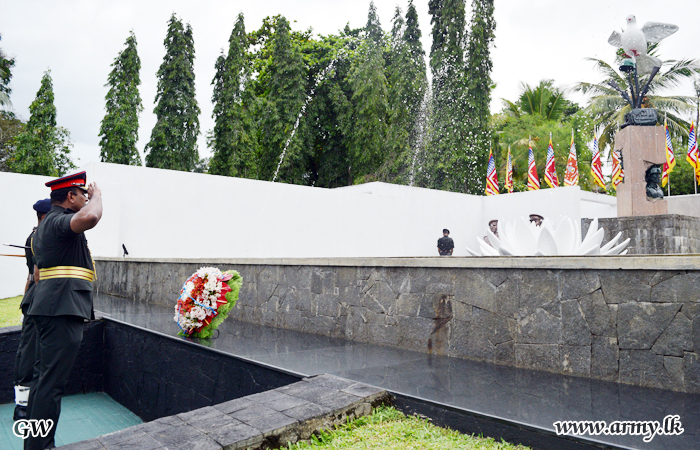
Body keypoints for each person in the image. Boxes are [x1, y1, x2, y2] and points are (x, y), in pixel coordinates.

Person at [25, 171, 102, 450]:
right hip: (60, 310)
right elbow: (91, 217)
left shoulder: (49, 225)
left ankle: (34, 444)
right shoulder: (58, 221)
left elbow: (39, 274)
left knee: (43, 381)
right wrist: (98, 196)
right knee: (51, 384)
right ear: (70, 196)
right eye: (82, 194)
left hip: (53, 307)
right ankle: (41, 446)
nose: (86, 198)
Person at [12, 199, 51, 421]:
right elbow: (36, 274)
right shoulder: (38, 237)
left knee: (34, 350)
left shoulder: (37, 236)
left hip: (35, 296)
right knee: (29, 351)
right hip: (38, 298)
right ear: (45, 217)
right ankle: (22, 406)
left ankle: (28, 403)